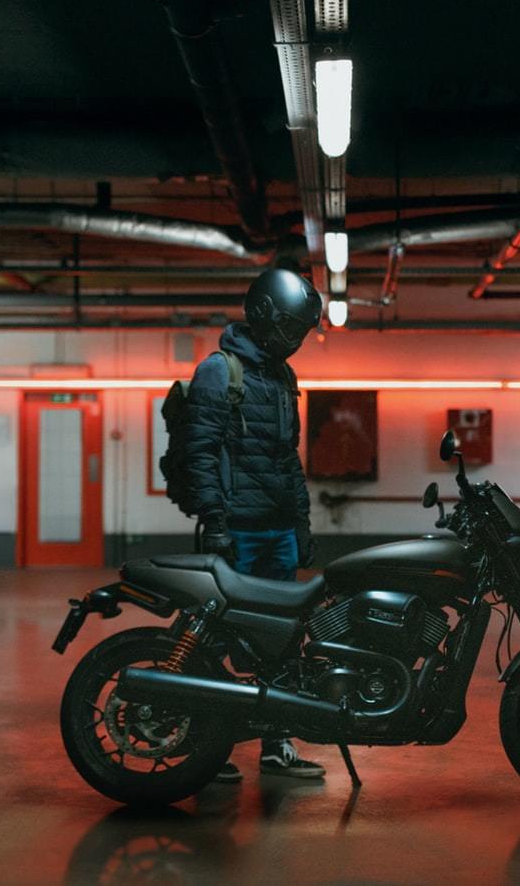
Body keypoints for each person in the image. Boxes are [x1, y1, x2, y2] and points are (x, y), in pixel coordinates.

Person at [183, 267, 326, 782]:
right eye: (292, 328)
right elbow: (201, 453)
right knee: (217, 637)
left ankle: (276, 743)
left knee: (283, 638)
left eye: (302, 332)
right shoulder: (219, 372)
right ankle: (209, 743)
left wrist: (302, 523)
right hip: (235, 531)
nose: (296, 341)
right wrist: (215, 521)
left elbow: (288, 458)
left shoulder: (283, 378)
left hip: (279, 531)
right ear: (265, 316)